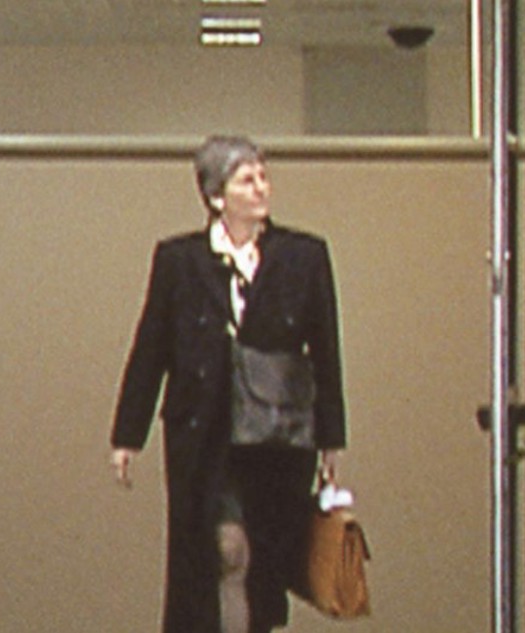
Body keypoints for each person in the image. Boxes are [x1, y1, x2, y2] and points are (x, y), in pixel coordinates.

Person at [110, 136, 348, 633]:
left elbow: (326, 350)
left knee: (262, 560)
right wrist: (128, 435)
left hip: (277, 433)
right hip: (207, 432)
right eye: (246, 180)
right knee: (224, 549)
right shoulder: (180, 260)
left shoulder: (302, 256)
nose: (261, 188)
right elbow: (153, 345)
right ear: (216, 196)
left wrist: (331, 437)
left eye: (263, 176)